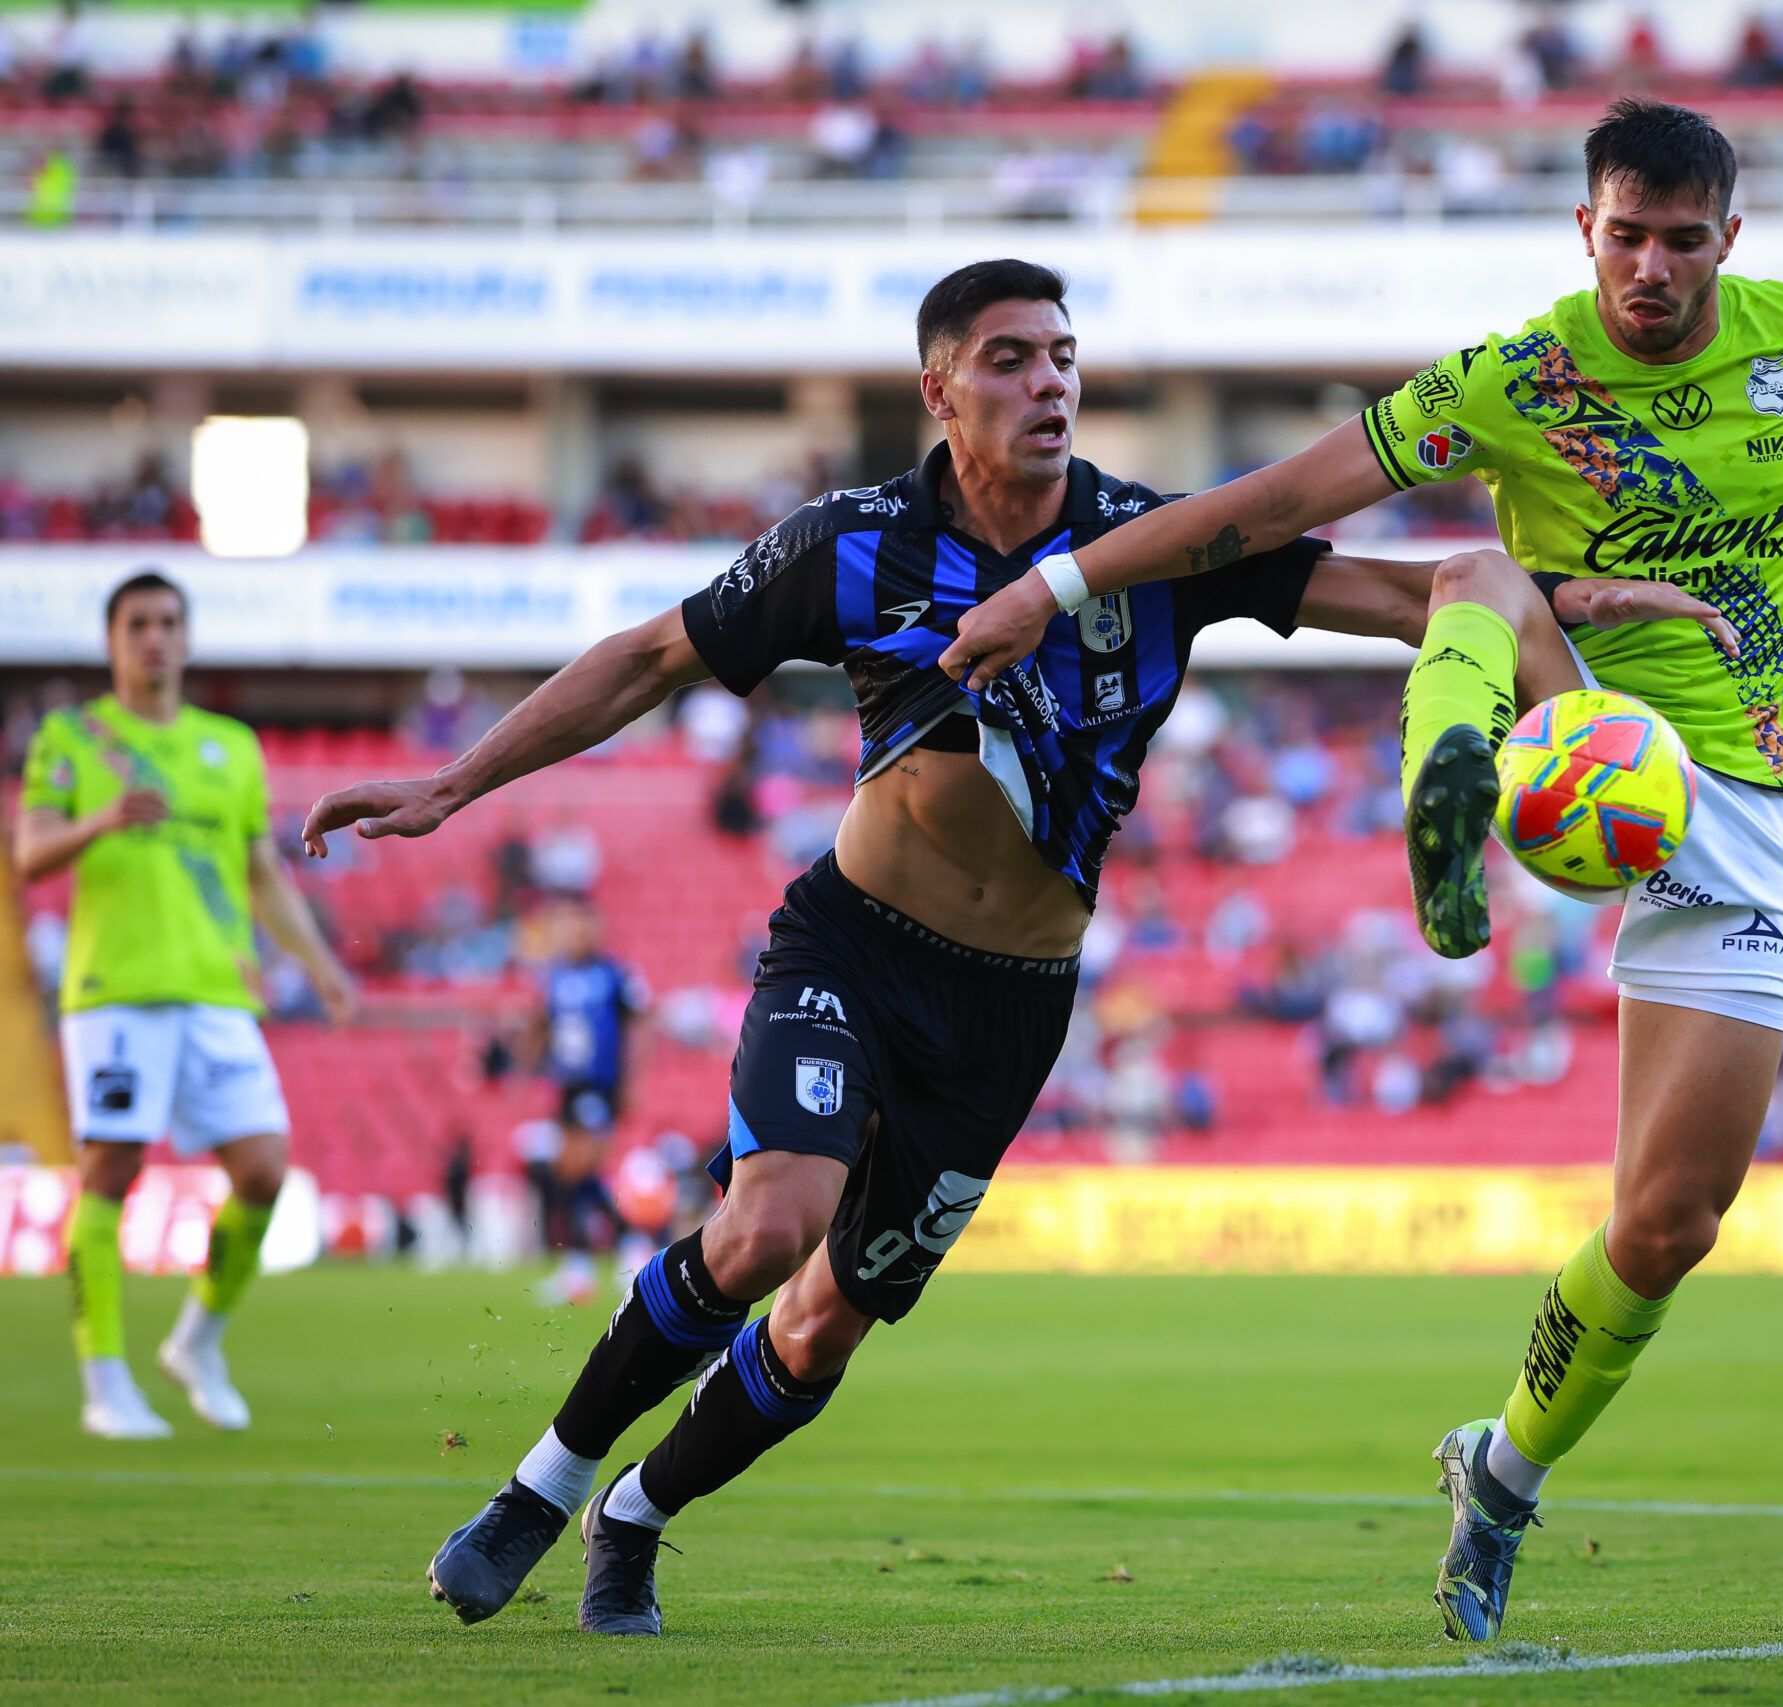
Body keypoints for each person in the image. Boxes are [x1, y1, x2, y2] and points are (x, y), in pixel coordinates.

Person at [301, 260, 1630, 1639]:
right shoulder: (852, 541)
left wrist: (1550, 608)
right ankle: (538, 1487)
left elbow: (1416, 598)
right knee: (769, 1223)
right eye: (1009, 358)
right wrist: (450, 785)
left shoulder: (1158, 540)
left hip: (1013, 1007)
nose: (1048, 379)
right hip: (852, 945)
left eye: (1063, 354)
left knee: (824, 1326)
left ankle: (633, 1514)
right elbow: (649, 659)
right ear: (938, 388)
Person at [937, 98, 1783, 1642]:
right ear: (1587, 226)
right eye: (1624, 235)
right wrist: (1056, 580)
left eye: (1680, 243)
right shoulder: (1518, 378)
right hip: (1594, 718)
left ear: (1729, 243)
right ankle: (1453, 771)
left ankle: (1496, 1471)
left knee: (1669, 1222)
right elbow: (1273, 506)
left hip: (1760, 787)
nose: (1649, 267)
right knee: (1477, 578)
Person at [13, 571, 358, 1439]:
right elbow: (28, 853)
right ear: (113, 641)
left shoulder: (230, 745)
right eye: (138, 624)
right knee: (111, 1171)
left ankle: (197, 1341)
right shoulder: (75, 735)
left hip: (215, 990)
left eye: (169, 622)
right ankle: (104, 1382)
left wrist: (319, 965)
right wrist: (99, 821)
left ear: (188, 637)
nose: (155, 637)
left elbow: (260, 872)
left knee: (265, 1170)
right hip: (116, 992)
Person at [522, 897, 650, 1303]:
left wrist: (632, 1081)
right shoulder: (555, 977)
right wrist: (528, 1066)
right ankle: (627, 1249)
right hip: (568, 1085)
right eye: (566, 927)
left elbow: (641, 1022)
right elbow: (541, 1023)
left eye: (579, 927)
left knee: (576, 1168)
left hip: (599, 1084)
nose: (573, 935)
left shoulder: (613, 975)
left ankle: (590, 1264)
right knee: (575, 1175)